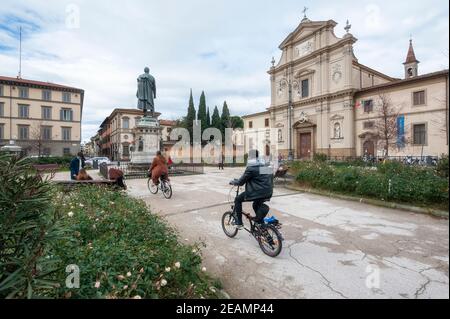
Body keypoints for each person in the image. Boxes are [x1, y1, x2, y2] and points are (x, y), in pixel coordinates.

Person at [230, 149, 273, 229]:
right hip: (268, 192)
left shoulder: (251, 168)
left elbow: (241, 182)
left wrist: (234, 182)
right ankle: (260, 222)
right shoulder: (264, 165)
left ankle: (239, 223)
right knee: (256, 204)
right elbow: (263, 177)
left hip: (257, 192)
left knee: (238, 199)